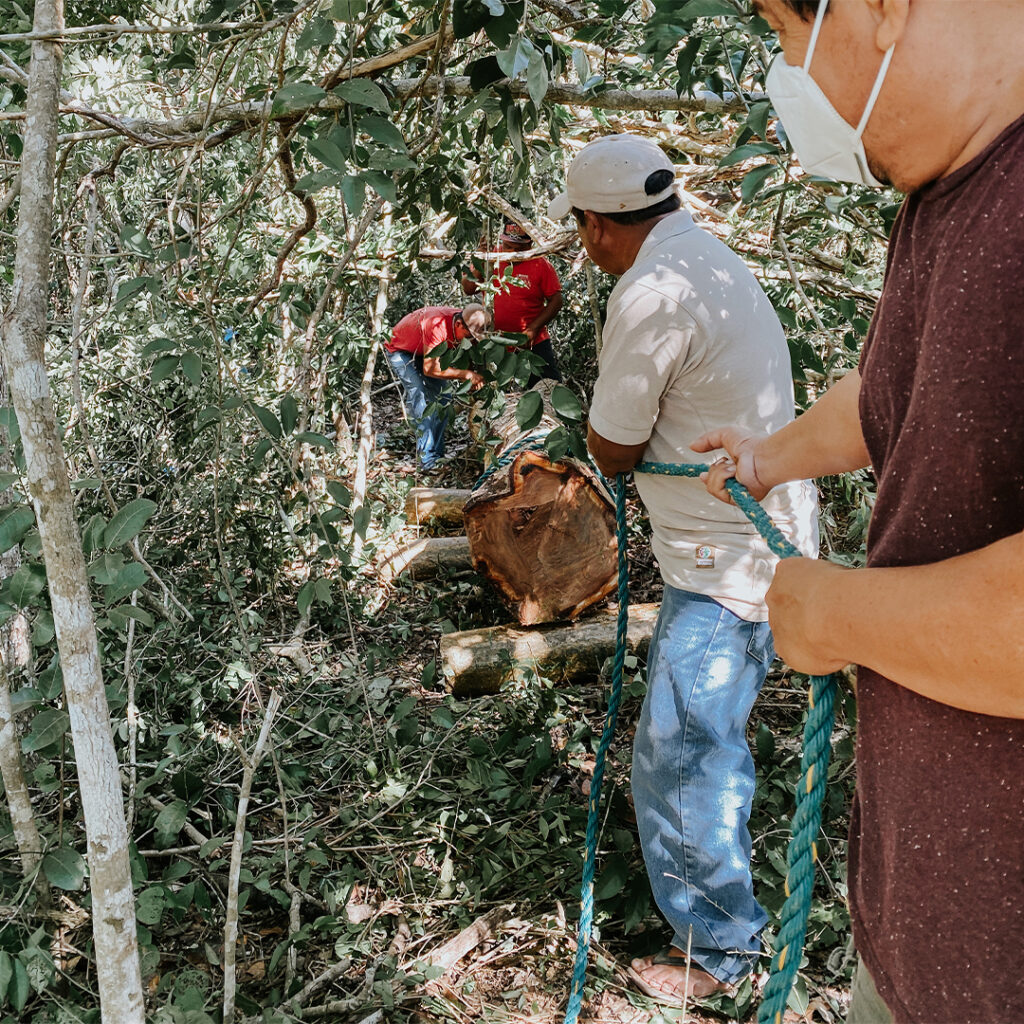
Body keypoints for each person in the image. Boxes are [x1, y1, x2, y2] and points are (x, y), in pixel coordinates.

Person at [695, 2, 1024, 1021]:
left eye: (782, 32)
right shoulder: (945, 197)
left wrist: (834, 617)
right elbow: (903, 392)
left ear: (879, 10)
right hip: (926, 942)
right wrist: (770, 456)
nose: (786, 69)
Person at [548, 134, 819, 1003]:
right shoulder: (709, 260)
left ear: (597, 227)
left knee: (683, 755)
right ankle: (720, 927)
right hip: (753, 542)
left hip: (726, 562)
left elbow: (614, 446)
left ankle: (721, 954)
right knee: (701, 743)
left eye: (582, 228)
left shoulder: (653, 293)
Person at [384, 303, 489, 470]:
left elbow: (469, 356)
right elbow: (430, 368)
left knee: (444, 398)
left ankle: (437, 455)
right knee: (422, 400)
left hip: (426, 352)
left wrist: (470, 378)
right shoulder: (436, 325)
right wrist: (464, 374)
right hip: (402, 351)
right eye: (469, 337)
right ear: (458, 325)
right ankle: (426, 459)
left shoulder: (467, 326)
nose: (471, 341)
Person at [462, 219, 563, 385]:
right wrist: (479, 259)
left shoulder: (541, 264)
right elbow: (468, 289)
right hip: (496, 343)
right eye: (507, 246)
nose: (511, 253)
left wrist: (533, 328)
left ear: (529, 246)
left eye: (518, 249)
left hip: (533, 343)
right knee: (496, 393)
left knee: (548, 387)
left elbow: (557, 300)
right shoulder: (492, 256)